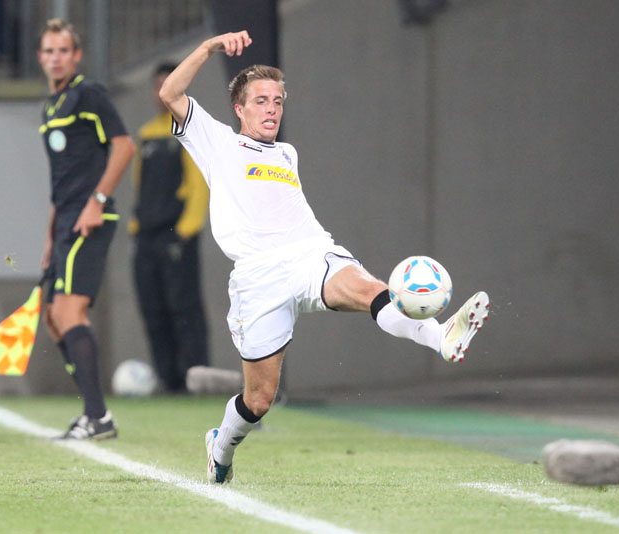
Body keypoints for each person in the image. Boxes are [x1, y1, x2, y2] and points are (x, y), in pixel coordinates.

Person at [159, 30, 490, 483]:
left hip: (312, 254)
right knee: (259, 400)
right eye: (261, 101)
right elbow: (170, 93)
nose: (271, 109)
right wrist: (207, 48)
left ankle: (440, 336)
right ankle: (221, 447)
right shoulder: (216, 141)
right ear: (239, 109)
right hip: (258, 277)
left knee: (369, 289)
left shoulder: (286, 154)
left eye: (277, 101)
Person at [37, 19, 135, 439]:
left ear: (76, 55)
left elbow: (124, 146)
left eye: (63, 50)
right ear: (41, 57)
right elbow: (59, 180)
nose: (56, 58)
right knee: (53, 318)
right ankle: (95, 413)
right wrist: (49, 236)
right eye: (49, 51)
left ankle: (97, 418)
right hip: (65, 220)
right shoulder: (50, 108)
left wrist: (97, 202)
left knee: (69, 311)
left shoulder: (88, 94)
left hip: (90, 217)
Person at [130, 63, 210, 393]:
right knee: (153, 309)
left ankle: (194, 378)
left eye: (169, 85)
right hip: (147, 237)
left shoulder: (189, 133)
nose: (162, 94)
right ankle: (168, 380)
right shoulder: (147, 134)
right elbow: (140, 185)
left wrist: (187, 231)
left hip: (177, 236)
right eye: (157, 87)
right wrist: (136, 226)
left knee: (184, 309)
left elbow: (199, 186)